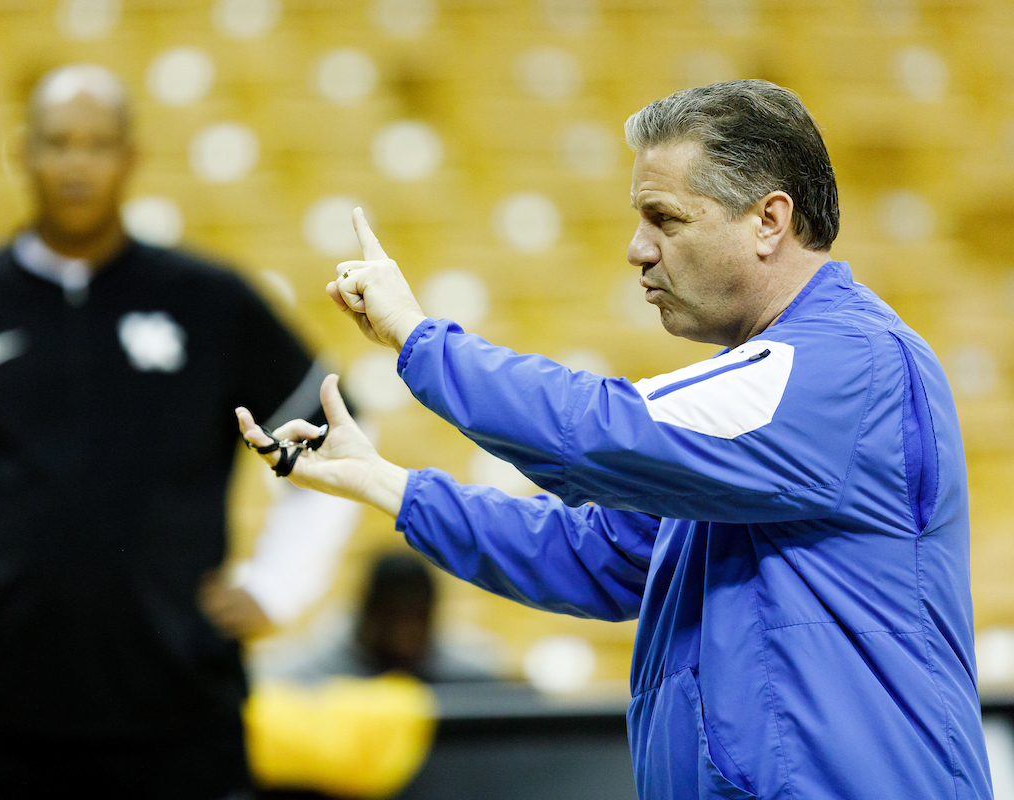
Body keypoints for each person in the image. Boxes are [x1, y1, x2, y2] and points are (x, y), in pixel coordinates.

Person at [237, 80, 994, 799]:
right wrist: (385, 482)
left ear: (769, 221)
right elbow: (592, 556)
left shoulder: (848, 364)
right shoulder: (763, 411)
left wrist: (419, 339)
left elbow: (608, 431)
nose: (637, 249)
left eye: (665, 219)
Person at [0, 64, 359, 800]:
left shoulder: (210, 301)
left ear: (130, 158)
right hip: (5, 717)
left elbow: (334, 437)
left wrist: (279, 586)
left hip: (184, 716)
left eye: (98, 143)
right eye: (58, 142)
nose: (77, 162)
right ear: (24, 152)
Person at [264, 550, 501, 685]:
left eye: (416, 616)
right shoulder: (305, 674)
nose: (405, 631)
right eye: (394, 615)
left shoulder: (471, 673)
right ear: (368, 613)